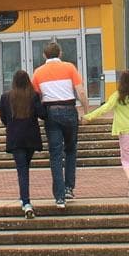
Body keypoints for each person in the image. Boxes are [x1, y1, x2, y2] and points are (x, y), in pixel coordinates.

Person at [31, 41, 88, 207]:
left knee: (55, 154)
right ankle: (69, 187)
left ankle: (59, 196)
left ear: (44, 55)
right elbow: (81, 92)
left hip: (51, 112)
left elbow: (35, 97)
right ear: (60, 53)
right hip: (69, 110)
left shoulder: (38, 72)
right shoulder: (70, 67)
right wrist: (85, 112)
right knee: (71, 149)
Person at [85, 69, 129, 201]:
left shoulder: (118, 95)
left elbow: (104, 108)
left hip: (125, 132)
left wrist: (89, 117)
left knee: (127, 159)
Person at [0, 70, 43, 218]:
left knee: (22, 170)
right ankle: (24, 200)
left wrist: (11, 125)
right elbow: (41, 113)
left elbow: (3, 118)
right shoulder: (33, 96)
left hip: (15, 138)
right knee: (25, 168)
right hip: (30, 137)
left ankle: (26, 202)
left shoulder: (6, 97)